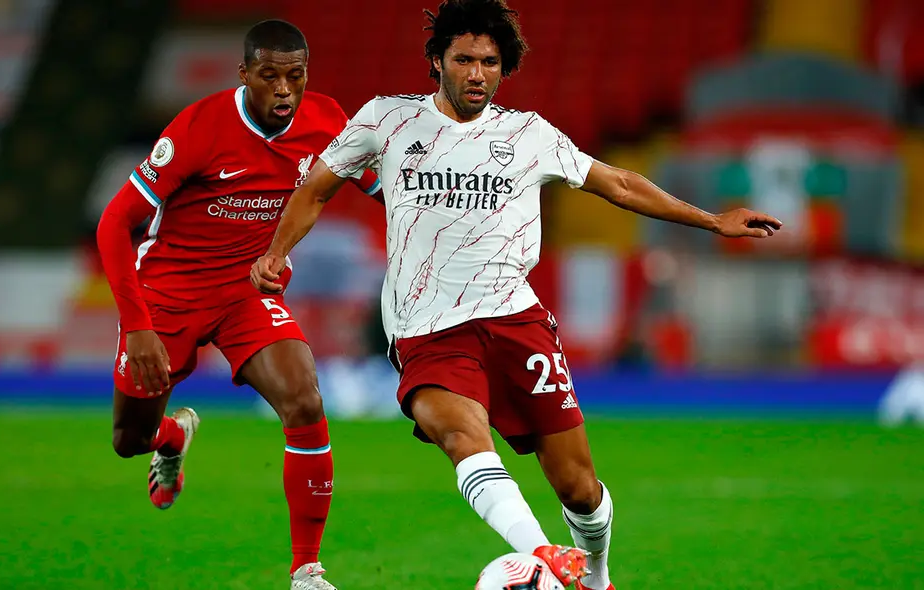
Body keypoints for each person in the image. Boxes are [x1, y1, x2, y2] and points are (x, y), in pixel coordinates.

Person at [252, 1, 782, 588]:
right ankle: (542, 553)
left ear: (504, 68)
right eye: (464, 60)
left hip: (515, 322)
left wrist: (712, 220)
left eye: (489, 62)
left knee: (579, 488)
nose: (477, 73)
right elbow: (316, 188)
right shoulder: (387, 120)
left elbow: (619, 184)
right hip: (426, 330)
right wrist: (276, 253)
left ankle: (598, 578)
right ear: (437, 61)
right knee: (462, 437)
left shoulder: (529, 134)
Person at [96, 19, 380, 590]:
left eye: (295, 76)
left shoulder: (328, 121)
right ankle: (169, 438)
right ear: (244, 74)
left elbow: (387, 188)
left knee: (304, 399)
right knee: (129, 440)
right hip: (168, 295)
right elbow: (114, 223)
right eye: (270, 76)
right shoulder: (199, 128)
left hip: (247, 291)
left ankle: (307, 570)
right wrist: (138, 324)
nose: (284, 89)